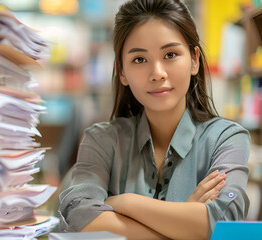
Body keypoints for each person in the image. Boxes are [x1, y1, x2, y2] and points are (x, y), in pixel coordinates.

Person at [58, 0, 250, 239]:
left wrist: (126, 203)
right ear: (122, 72)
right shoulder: (101, 140)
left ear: (194, 60)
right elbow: (79, 216)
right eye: (139, 59)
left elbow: (225, 224)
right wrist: (184, 223)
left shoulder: (227, 138)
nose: (157, 72)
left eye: (170, 54)